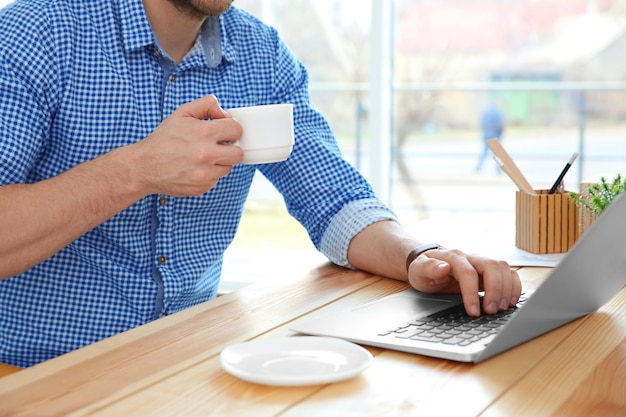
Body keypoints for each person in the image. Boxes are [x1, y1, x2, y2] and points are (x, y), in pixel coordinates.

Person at [0, 0, 521, 368]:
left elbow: (335, 201)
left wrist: (421, 258)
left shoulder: (261, 54)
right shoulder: (36, 34)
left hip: (188, 365)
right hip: (32, 370)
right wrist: (137, 170)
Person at [475, 102, 505, 173]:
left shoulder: (486, 113)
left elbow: (483, 124)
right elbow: (500, 125)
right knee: (498, 155)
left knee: (484, 153)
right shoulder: (497, 113)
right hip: (495, 137)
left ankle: (478, 168)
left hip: (487, 136)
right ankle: (499, 170)